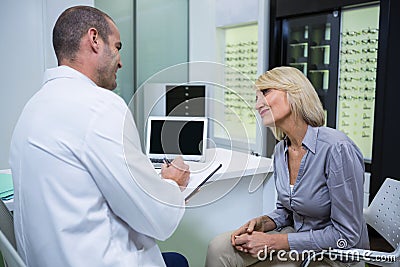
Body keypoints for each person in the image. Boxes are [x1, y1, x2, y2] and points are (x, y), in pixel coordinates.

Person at [9, 6, 190, 267]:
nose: (120, 61)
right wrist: (172, 183)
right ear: (94, 40)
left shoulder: (33, 107)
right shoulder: (100, 107)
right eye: (117, 47)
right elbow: (158, 219)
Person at [205, 66, 369, 266]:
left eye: (265, 92)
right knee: (218, 247)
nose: (258, 105)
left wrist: (274, 242)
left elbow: (347, 235)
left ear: (294, 92)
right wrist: (262, 223)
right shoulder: (281, 151)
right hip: (296, 238)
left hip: (333, 254)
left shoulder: (337, 149)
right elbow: (286, 212)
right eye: (256, 98)